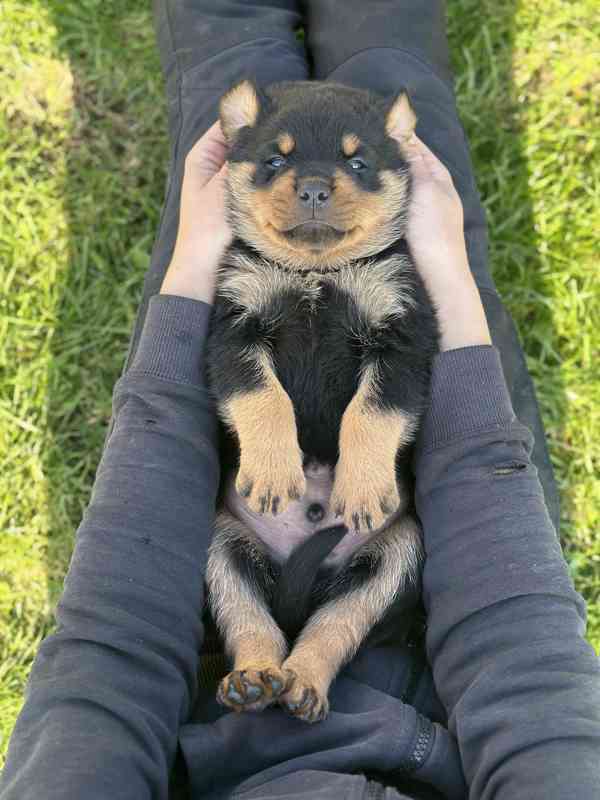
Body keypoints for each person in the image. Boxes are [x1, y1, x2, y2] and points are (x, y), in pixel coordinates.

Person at [1, 2, 599, 798]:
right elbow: (540, 693)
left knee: (227, 83)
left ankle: (280, 651)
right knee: (398, 91)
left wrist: (192, 264)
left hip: (252, 588)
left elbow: (100, 676)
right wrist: (447, 274)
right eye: (282, 171)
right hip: (447, 619)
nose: (312, 193)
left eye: (352, 173)